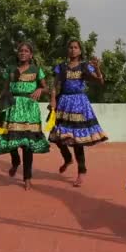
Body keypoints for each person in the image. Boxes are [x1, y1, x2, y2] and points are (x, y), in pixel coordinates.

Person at [0, 42, 50, 191]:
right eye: (20, 51)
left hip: (30, 108)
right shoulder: (10, 69)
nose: (22, 53)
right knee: (11, 139)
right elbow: (5, 89)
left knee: (27, 144)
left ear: (31, 54)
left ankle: (27, 177)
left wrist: (40, 90)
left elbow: (46, 87)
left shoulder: (36, 70)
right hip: (13, 106)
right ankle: (15, 160)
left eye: (26, 51)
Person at [49, 40, 108, 187]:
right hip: (63, 104)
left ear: (80, 51)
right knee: (57, 136)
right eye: (70, 47)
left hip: (79, 104)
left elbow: (99, 81)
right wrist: (53, 101)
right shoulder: (61, 67)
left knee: (77, 140)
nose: (73, 50)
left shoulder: (84, 67)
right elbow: (55, 86)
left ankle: (81, 171)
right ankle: (68, 158)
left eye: (76, 47)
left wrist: (97, 69)